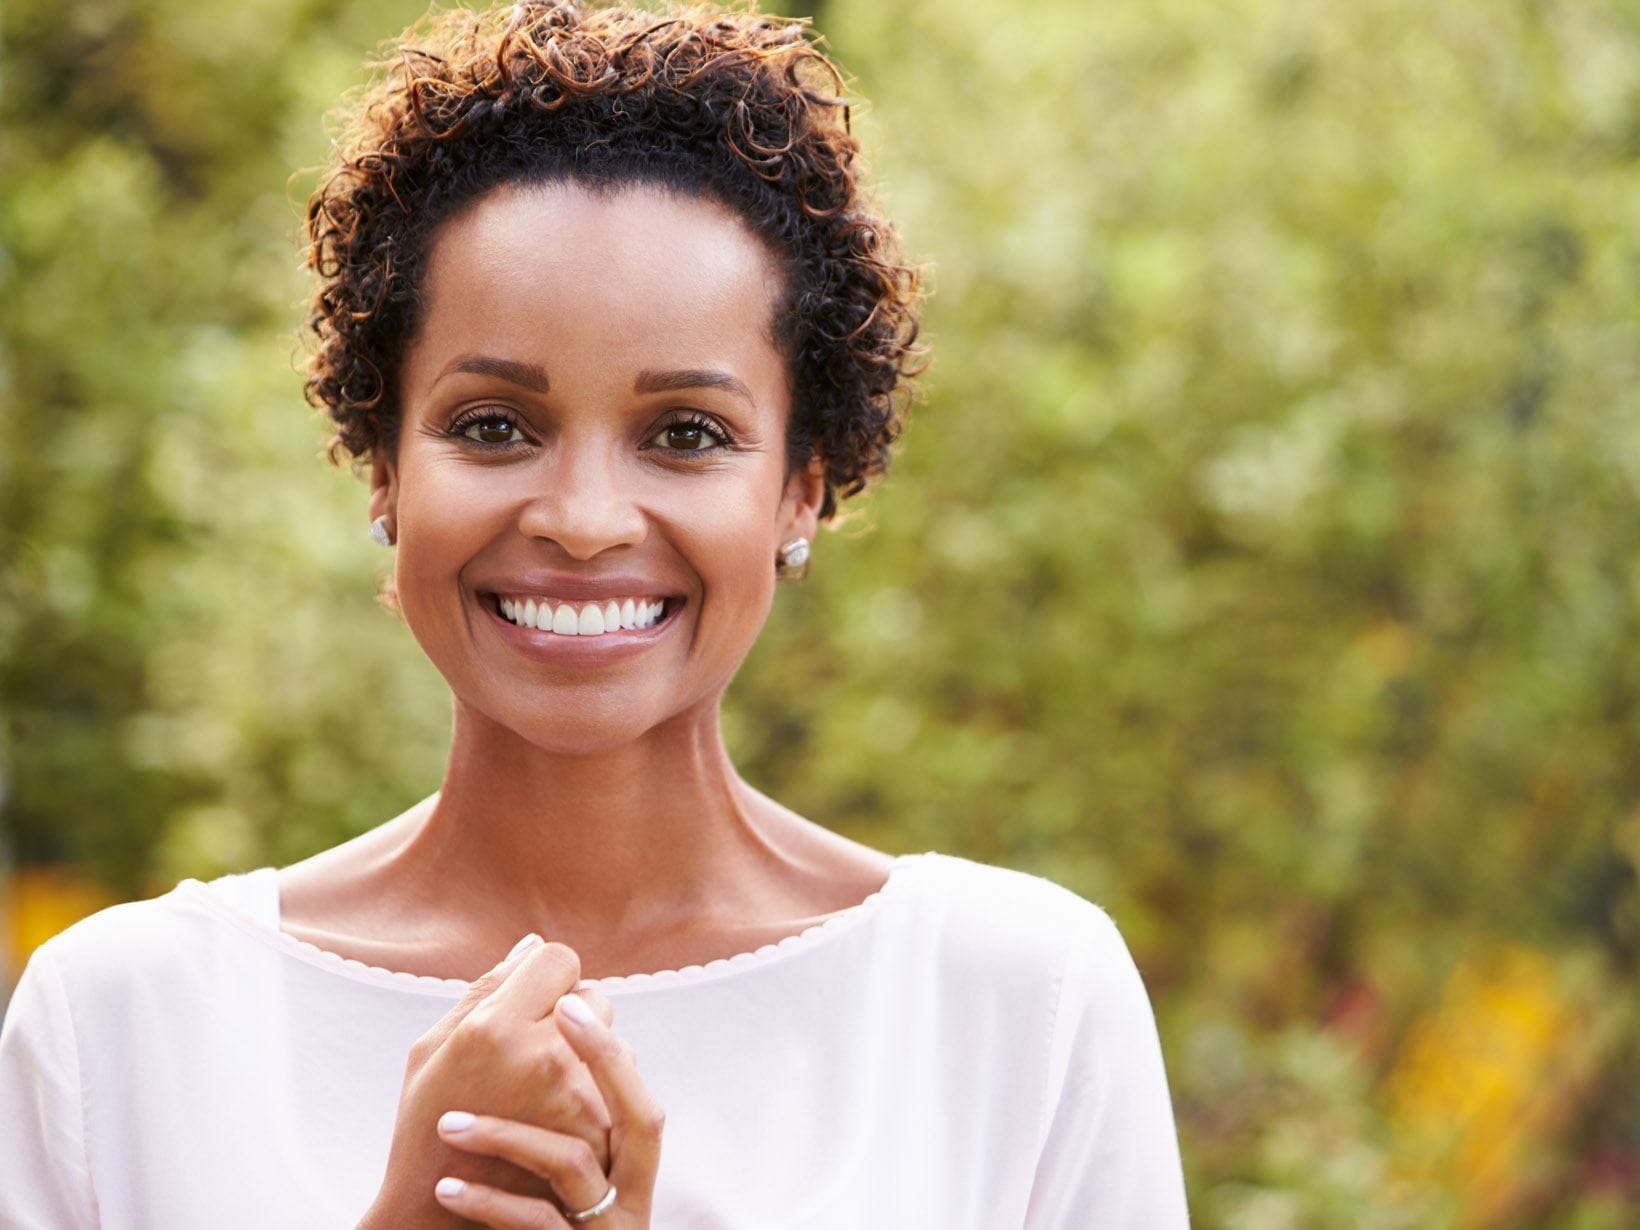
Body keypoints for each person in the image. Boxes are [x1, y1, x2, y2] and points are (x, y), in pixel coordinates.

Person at [0, 2, 1190, 1225]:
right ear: (383, 469)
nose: (580, 516)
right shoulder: (122, 1027)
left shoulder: (1014, 1003)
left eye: (685, 434)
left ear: (800, 487)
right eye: (492, 426)